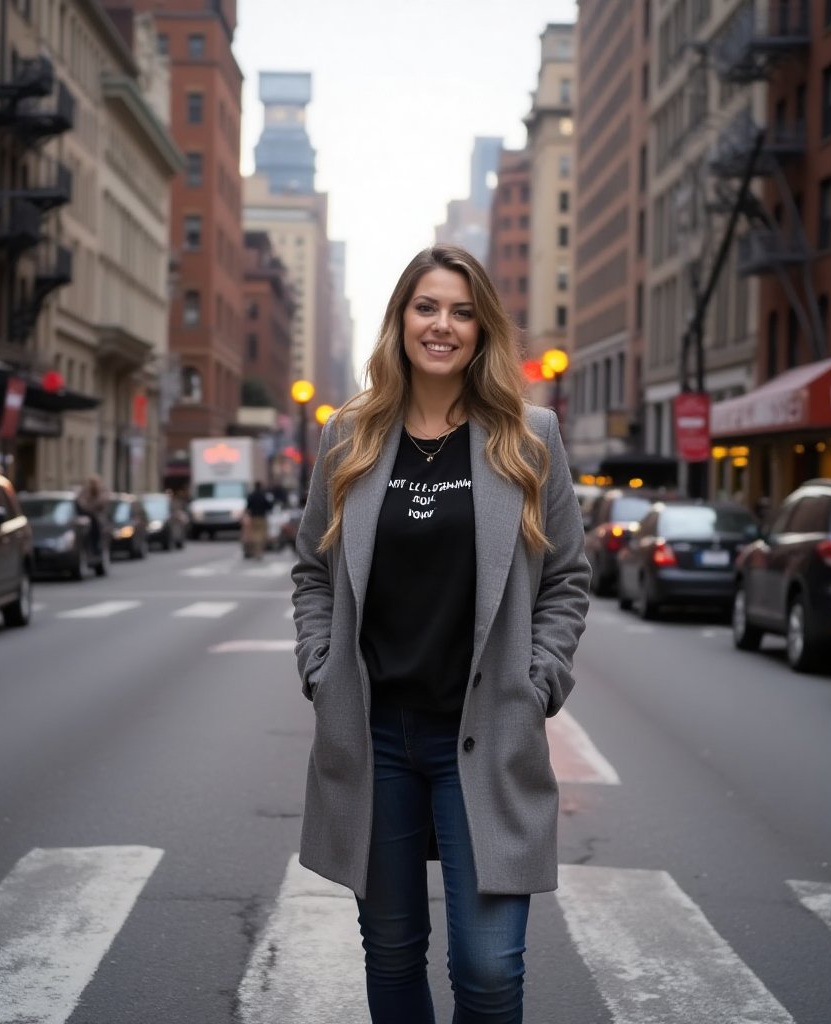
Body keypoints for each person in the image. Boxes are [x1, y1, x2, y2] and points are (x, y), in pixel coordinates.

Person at [291, 244, 591, 1023]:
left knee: (489, 973)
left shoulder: (530, 438)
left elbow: (565, 578)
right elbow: (312, 573)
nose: (443, 325)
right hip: (375, 731)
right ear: (400, 321)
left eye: (461, 311)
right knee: (391, 951)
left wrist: (540, 680)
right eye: (427, 307)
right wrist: (322, 671)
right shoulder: (350, 437)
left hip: (486, 731)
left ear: (481, 328)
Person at [74, 474, 108, 557]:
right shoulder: (84, 491)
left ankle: (96, 547)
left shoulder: (101, 491)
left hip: (96, 518)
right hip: (84, 517)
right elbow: (81, 503)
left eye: (94, 483)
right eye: (91, 483)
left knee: (96, 528)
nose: (93, 485)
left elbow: (101, 503)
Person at [243, 480, 273, 559]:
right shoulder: (264, 495)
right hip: (262, 517)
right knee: (262, 535)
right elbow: (269, 506)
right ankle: (259, 552)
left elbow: (248, 507)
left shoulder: (251, 495)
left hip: (253, 517)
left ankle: (255, 551)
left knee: (254, 535)